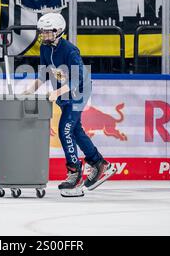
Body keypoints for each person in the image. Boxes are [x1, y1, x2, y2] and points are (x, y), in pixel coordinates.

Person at [23, 13, 117, 197]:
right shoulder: (44, 48)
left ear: (58, 31)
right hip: (64, 94)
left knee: (65, 129)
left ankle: (75, 173)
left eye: (47, 32)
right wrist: (29, 90)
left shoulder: (70, 51)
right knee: (74, 130)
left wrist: (57, 92)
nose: (43, 35)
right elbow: (43, 75)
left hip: (78, 92)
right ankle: (99, 163)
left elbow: (77, 79)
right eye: (42, 32)